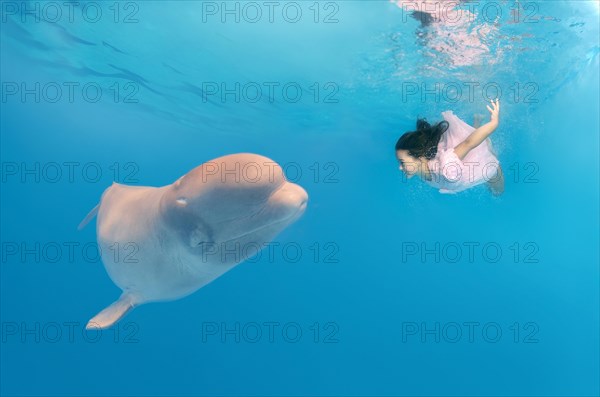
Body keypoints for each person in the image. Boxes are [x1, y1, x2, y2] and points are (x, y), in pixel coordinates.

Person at [395, 99, 504, 195]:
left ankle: (479, 123)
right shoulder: (420, 169)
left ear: (419, 158)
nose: (400, 167)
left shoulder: (445, 165)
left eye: (402, 162)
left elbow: (468, 143)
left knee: (498, 191)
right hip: (462, 166)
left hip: (481, 165)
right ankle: (477, 120)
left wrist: (494, 123)